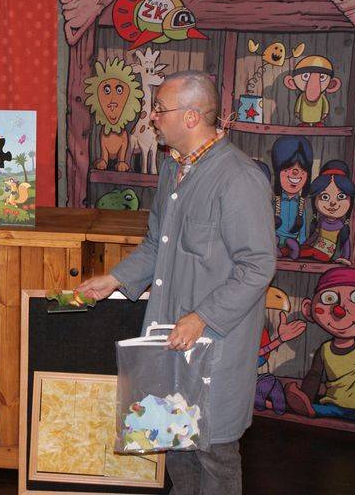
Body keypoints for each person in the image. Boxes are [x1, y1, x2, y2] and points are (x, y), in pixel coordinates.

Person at [77, 70, 276, 495]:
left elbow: (258, 266)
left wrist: (203, 317)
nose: (152, 117)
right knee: (175, 442)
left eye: (160, 109)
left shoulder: (239, 178)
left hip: (213, 344)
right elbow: (157, 244)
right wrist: (114, 279)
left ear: (191, 117)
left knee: (214, 451)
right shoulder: (173, 169)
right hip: (168, 335)